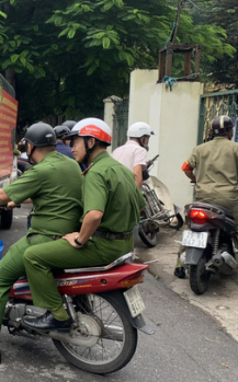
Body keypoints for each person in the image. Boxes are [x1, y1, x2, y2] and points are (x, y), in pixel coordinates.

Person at [0, 123, 83, 365]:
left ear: (31, 147)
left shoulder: (39, 170)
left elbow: (2, 195)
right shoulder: (71, 165)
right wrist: (19, 200)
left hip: (44, 236)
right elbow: (54, 192)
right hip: (69, 234)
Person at [20, 118, 145, 333]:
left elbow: (94, 215)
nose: (71, 147)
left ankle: (58, 316)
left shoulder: (95, 172)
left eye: (76, 142)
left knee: (33, 256)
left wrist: (79, 239)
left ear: (91, 142)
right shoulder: (122, 170)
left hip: (102, 246)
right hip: (125, 245)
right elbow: (140, 206)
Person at [177, 116, 238, 285]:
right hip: (229, 198)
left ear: (211, 132)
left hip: (203, 197)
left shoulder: (200, 149)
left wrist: (195, 179)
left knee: (190, 228)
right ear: (230, 132)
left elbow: (185, 168)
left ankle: (179, 265)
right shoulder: (237, 148)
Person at [112, 122, 154, 188]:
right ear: (142, 138)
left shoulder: (116, 151)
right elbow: (137, 173)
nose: (147, 142)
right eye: (147, 138)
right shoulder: (140, 150)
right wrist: (136, 194)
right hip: (128, 189)